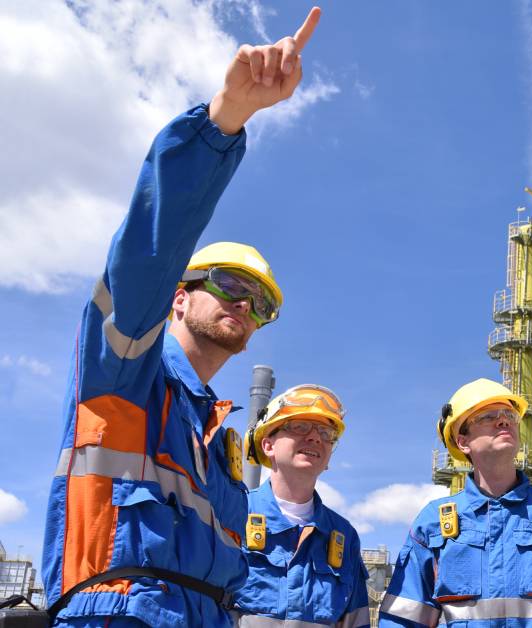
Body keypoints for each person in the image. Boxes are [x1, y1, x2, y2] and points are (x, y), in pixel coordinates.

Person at [40, 7, 322, 627]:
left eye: (261, 303)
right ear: (176, 296)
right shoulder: (125, 373)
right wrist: (224, 122)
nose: (244, 305)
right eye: (226, 284)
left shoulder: (220, 448)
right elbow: (147, 250)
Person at [379, 379, 532, 628]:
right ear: (463, 442)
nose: (503, 421)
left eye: (510, 415)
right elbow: (403, 619)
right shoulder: (433, 523)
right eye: (487, 416)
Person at [234, 384, 369, 627]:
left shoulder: (344, 536)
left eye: (326, 433)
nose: (315, 437)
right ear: (268, 445)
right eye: (299, 426)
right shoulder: (233, 511)